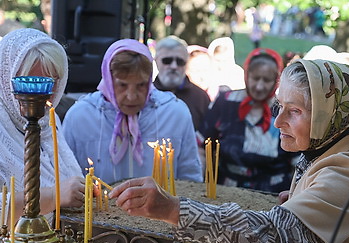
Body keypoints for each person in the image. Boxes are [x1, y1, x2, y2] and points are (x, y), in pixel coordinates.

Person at [109, 59, 349, 243]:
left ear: (330, 115)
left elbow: (272, 239)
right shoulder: (340, 142)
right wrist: (305, 199)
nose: (278, 121)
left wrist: (172, 209)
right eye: (279, 106)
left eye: (295, 111)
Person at [62, 39, 202, 186]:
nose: (131, 96)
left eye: (141, 85)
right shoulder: (80, 117)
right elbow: (66, 179)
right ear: (108, 80)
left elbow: (190, 179)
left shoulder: (175, 114)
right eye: (122, 85)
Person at [0, 28, 87, 222]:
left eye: (49, 83)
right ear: (5, 78)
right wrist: (54, 195)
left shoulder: (48, 120)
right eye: (27, 82)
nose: (39, 95)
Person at [198, 48, 297, 193]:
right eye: (255, 78)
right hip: (225, 191)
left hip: (272, 193)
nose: (259, 86)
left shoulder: (285, 110)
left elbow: (297, 162)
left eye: (267, 80)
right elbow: (201, 145)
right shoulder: (226, 102)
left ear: (277, 80)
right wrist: (200, 180)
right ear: (246, 75)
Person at [153, 35, 210, 131]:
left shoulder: (200, 98)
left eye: (180, 61)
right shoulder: (146, 95)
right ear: (156, 61)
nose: (174, 66)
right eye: (167, 61)